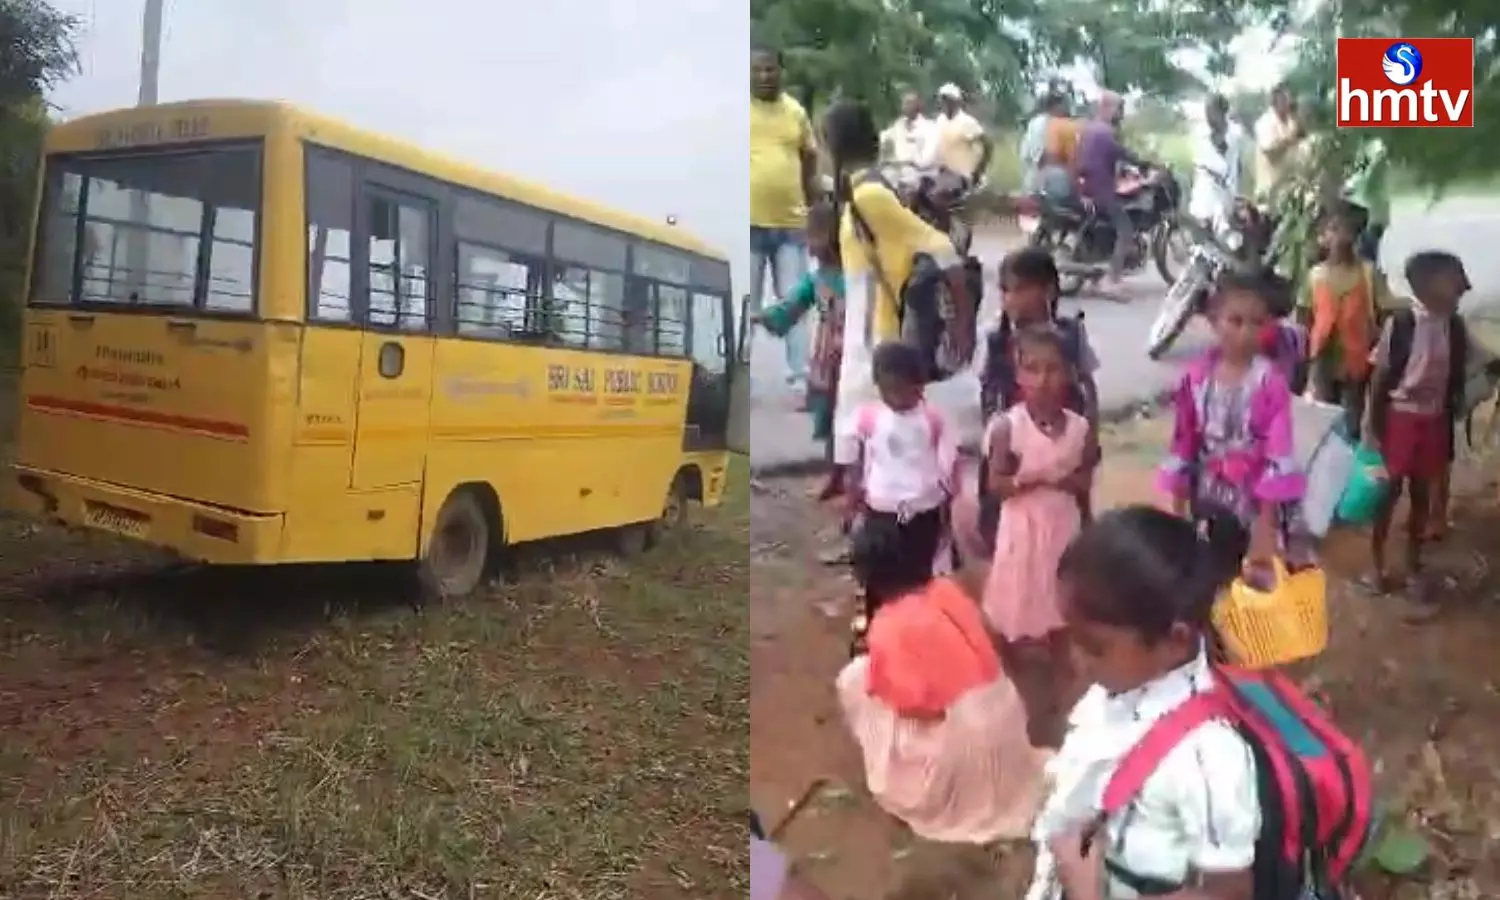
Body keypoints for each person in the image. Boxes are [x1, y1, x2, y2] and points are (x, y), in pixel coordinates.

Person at [1026, 506, 1259, 900]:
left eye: (1094, 648)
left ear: (1176, 640)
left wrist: (1087, 893)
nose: (1076, 659)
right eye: (1073, 638)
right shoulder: (1125, 681)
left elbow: (1228, 894)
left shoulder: (1208, 758)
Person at [836, 518, 1050, 843]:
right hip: (1004, 709)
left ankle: (905, 778)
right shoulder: (945, 589)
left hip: (969, 742)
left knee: (853, 680)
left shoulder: (889, 624)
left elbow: (919, 711)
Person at [822, 99, 976, 475]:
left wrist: (963, 322)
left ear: (835, 143)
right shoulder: (859, 191)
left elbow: (941, 246)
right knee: (863, 422)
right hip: (864, 324)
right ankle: (866, 495)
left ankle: (885, 501)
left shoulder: (869, 195)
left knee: (873, 423)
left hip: (878, 327)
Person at [982, 325, 1096, 747]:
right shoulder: (1007, 429)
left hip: (1061, 528)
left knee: (1062, 613)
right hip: (1022, 530)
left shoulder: (1081, 429)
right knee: (1014, 609)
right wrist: (1032, 479)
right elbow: (996, 484)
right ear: (1018, 375)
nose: (1043, 380)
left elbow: (1084, 479)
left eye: (1053, 369)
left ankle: (1063, 704)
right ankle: (1014, 690)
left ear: (1069, 374)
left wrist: (1078, 502)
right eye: (1032, 369)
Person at [1158, 270, 1313, 576]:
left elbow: (1277, 451)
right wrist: (1177, 507)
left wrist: (1266, 527)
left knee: (1250, 576)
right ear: (1214, 321)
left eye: (1258, 323)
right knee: (1207, 567)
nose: (1246, 332)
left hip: (1256, 498)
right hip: (1209, 492)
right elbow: (1184, 441)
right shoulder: (1196, 377)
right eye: (1236, 321)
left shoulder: (1270, 383)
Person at [1364, 251, 1474, 613]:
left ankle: (1413, 564)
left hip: (1433, 420)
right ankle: (1376, 563)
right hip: (1401, 418)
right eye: (1454, 279)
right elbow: (1380, 379)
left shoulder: (1453, 326)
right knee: (1388, 492)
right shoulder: (1402, 323)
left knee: (1422, 494)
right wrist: (1372, 427)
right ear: (1426, 287)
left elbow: (1462, 368)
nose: (1463, 286)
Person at [979, 248, 1100, 542]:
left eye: (1020, 290)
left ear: (1049, 289)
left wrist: (1090, 436)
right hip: (1014, 446)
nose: (1010, 300)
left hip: (1062, 441)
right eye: (1005, 290)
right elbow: (989, 393)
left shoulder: (1071, 334)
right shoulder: (996, 339)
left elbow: (1087, 387)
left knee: (1066, 513)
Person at [845, 342, 959, 642]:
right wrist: (852, 501)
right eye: (887, 390)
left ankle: (913, 638)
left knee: (917, 579)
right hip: (880, 511)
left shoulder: (934, 420)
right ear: (877, 385)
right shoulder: (868, 418)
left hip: (923, 513)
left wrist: (947, 510)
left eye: (903, 390)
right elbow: (856, 461)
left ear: (920, 386)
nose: (896, 398)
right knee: (877, 576)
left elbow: (947, 468)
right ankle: (876, 636)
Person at [751, 200, 846, 499]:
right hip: (827, 357)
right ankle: (836, 474)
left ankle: (854, 477)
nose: (809, 243)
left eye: (814, 235)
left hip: (852, 353)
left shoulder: (855, 274)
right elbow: (790, 307)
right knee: (831, 417)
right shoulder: (816, 278)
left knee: (853, 416)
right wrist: (766, 316)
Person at [750, 42, 818, 391]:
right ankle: (738, 378)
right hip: (748, 222)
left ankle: (799, 376)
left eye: (770, 69)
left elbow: (810, 160)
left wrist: (814, 208)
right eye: (757, 69)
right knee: (746, 302)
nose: (764, 75)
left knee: (794, 301)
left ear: (780, 70)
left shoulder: (795, 112)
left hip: (791, 224)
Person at [1300, 203, 1397, 440]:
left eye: (1346, 230)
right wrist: (1305, 355)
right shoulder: (1315, 276)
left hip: (1357, 359)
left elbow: (1385, 311)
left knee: (1352, 418)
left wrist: (1380, 348)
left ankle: (1346, 460)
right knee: (1323, 417)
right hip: (1323, 359)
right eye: (1333, 229)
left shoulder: (1367, 273)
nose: (1340, 236)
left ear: (1356, 236)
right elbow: (1304, 315)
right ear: (1322, 238)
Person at [1076, 91, 1147, 287]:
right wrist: (1143, 163)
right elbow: (1122, 152)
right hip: (1100, 189)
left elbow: (1110, 156)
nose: (1121, 113)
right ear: (1106, 107)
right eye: (1119, 108)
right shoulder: (1105, 132)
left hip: (1089, 186)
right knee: (1126, 229)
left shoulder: (1090, 129)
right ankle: (1113, 277)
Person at [1188, 93, 1246, 232]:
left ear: (1222, 112)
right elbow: (1204, 164)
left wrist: (1238, 190)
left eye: (1212, 111)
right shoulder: (1201, 134)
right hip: (1207, 194)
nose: (1208, 115)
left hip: (1229, 193)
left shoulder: (1235, 133)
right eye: (1206, 111)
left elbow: (1237, 162)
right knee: (1207, 237)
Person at [928, 83, 992, 188]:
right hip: (944, 174)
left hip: (963, 176)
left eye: (947, 100)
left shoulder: (967, 122)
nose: (944, 103)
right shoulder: (940, 120)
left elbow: (987, 145)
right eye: (942, 100)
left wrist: (979, 171)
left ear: (956, 102)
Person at [1252, 83, 1303, 209]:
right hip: (1270, 195)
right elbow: (1270, 151)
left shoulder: (1291, 122)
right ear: (1276, 100)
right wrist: (1291, 138)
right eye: (1285, 98)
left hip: (1290, 191)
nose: (1289, 101)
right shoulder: (1265, 123)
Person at [1344, 138, 1391, 265]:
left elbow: (1371, 171)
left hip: (1370, 218)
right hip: (1372, 216)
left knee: (1366, 258)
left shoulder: (1375, 148)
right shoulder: (1367, 146)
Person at [879, 89, 935, 168]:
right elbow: (884, 138)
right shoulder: (898, 125)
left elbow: (927, 160)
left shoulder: (929, 127)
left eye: (909, 103)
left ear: (918, 105)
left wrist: (910, 162)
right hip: (896, 171)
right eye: (903, 103)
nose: (904, 106)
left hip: (920, 173)